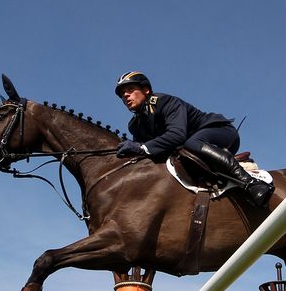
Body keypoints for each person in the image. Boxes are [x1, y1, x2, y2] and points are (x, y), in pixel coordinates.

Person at [114, 71, 274, 207]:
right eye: (122, 94)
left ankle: (251, 183)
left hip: (220, 132)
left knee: (190, 144)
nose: (125, 95)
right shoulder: (135, 125)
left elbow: (177, 135)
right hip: (191, 151)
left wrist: (141, 148)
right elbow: (149, 153)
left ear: (146, 90)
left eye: (130, 89)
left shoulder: (165, 102)